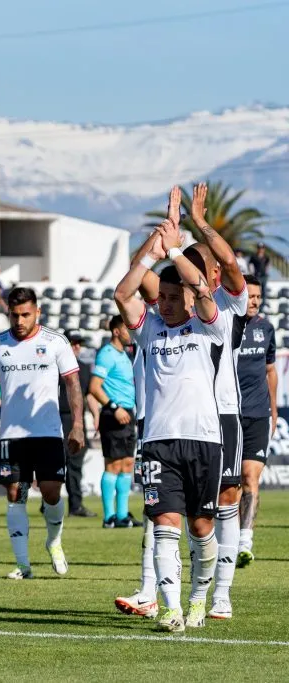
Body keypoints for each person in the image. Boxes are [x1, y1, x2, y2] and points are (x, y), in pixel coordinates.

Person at [136, 185, 249, 621]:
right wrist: (165, 235)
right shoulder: (175, 303)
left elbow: (232, 266)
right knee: (164, 512)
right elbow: (140, 281)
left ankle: (220, 594)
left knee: (223, 504)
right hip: (172, 419)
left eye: (206, 264)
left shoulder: (227, 302)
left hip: (220, 416)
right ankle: (156, 593)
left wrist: (197, 226)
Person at [114, 218, 225, 633]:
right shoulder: (150, 330)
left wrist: (176, 250)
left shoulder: (209, 326)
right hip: (159, 442)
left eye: (174, 298)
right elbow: (122, 294)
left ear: (189, 299)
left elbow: (203, 290)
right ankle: (171, 609)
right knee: (164, 526)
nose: (165, 305)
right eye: (162, 298)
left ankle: (198, 600)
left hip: (204, 440)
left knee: (201, 528)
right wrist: (151, 255)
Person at [0, 287, 83, 580]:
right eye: (14, 315)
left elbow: (72, 384)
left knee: (51, 492)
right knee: (14, 493)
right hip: (12, 434)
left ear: (37, 312)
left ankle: (54, 541)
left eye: (25, 314)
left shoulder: (56, 342)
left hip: (48, 432)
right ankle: (23, 565)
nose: (19, 321)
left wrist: (78, 424)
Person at [235, 274, 277, 568]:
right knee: (230, 484)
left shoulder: (266, 328)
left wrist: (273, 410)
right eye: (250, 296)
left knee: (250, 477)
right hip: (228, 415)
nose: (255, 301)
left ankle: (244, 542)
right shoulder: (225, 326)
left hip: (258, 415)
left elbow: (270, 370)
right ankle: (226, 539)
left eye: (258, 297)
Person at [90, 316, 139, 528]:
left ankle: (122, 515)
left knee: (127, 463)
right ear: (116, 331)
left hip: (127, 412)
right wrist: (113, 407)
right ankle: (109, 517)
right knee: (113, 464)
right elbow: (94, 387)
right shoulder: (107, 354)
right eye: (127, 329)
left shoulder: (124, 355)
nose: (131, 333)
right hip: (113, 413)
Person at [59, 332, 95, 518]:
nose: (77, 347)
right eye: (73, 343)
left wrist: (96, 415)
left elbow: (89, 394)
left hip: (77, 421)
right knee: (54, 465)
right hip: (57, 418)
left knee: (75, 464)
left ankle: (75, 505)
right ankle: (49, 502)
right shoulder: (54, 367)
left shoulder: (84, 368)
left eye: (79, 343)